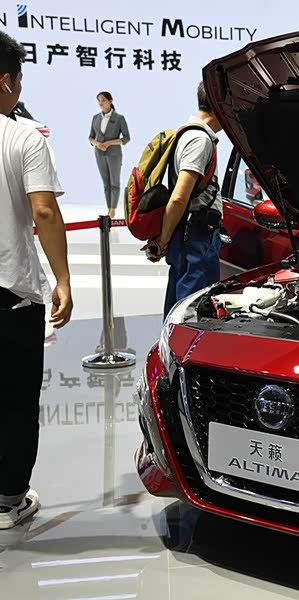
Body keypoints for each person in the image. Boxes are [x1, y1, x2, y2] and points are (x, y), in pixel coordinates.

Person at [0, 31, 72, 529]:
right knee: (16, 398)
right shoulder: (25, 137)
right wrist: (62, 279)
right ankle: (8, 500)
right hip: (12, 292)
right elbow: (43, 209)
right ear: (7, 80)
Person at [145, 82, 222, 319]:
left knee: (180, 308)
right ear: (219, 103)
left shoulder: (189, 134)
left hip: (190, 235)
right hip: (196, 237)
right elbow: (179, 197)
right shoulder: (199, 140)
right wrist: (163, 239)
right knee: (191, 314)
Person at [89, 91, 130, 218]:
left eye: (103, 100)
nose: (100, 103)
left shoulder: (119, 118)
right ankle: (108, 208)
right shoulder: (95, 118)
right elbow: (91, 137)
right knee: (106, 182)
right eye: (99, 101)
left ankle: (113, 209)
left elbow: (126, 138)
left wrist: (109, 143)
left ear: (110, 101)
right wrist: (97, 144)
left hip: (114, 154)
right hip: (99, 153)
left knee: (114, 182)